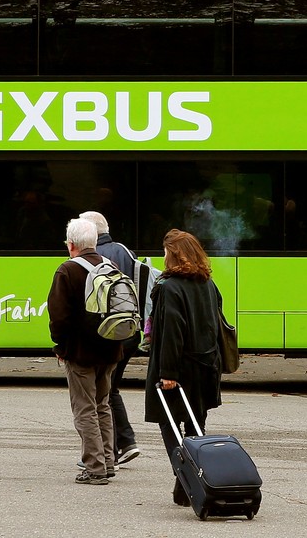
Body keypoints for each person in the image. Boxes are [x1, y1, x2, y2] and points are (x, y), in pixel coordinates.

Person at [143, 229, 223, 506]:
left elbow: (171, 333)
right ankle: (190, 483)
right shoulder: (208, 284)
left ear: (173, 254)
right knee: (195, 426)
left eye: (165, 251)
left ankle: (187, 478)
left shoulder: (169, 287)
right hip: (205, 365)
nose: (163, 256)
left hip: (178, 367)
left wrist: (168, 373)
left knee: (168, 423)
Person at [47, 218, 123, 485]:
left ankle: (94, 467)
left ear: (71, 244)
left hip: (80, 353)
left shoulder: (67, 271)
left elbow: (58, 317)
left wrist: (60, 346)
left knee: (84, 409)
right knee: (103, 405)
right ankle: (108, 462)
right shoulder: (110, 266)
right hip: (110, 349)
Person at [79, 211, 142, 467]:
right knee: (110, 388)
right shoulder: (125, 251)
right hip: (128, 333)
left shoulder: (95, 258)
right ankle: (124, 443)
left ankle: (114, 448)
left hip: (106, 334)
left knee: (101, 393)